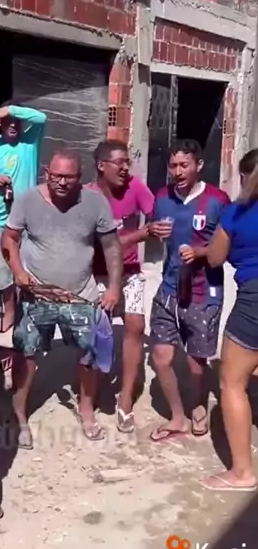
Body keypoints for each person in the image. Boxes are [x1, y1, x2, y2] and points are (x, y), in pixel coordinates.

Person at [1, 150, 122, 449]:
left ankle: (86, 409)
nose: (62, 182)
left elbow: (111, 246)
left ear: (80, 178)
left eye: (69, 177)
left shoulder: (94, 203)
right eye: (56, 176)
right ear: (47, 174)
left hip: (80, 295)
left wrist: (114, 287)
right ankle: (20, 414)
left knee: (88, 356)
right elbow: (9, 238)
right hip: (36, 295)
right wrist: (18, 271)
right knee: (26, 354)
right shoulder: (28, 201)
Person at [149, 139, 229, 442]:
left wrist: (201, 252)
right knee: (160, 357)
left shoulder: (218, 200)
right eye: (173, 166)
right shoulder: (162, 197)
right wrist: (153, 230)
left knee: (196, 362)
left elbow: (228, 246)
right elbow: (155, 229)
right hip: (169, 287)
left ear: (199, 165)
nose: (178, 172)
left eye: (184, 165)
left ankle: (198, 405)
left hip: (203, 292)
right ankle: (177, 416)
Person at [88, 140, 155, 433]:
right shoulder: (87, 196)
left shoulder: (136, 187)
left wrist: (158, 226)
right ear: (102, 166)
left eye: (128, 162)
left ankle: (126, 397)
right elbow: (100, 245)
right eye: (120, 162)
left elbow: (156, 213)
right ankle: (90, 391)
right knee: (95, 332)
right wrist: (140, 234)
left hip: (130, 271)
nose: (126, 168)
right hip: (96, 275)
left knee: (136, 326)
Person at [201, 149, 258, 491]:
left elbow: (215, 258)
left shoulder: (237, 211)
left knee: (232, 382)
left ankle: (242, 473)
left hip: (255, 297)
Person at [0, 102, 47, 332]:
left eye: (17, 120)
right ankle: (9, 314)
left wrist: (11, 110)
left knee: (29, 269)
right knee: (4, 271)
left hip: (29, 221)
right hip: (0, 220)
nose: (14, 124)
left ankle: (29, 314)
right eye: (8, 120)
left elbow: (41, 118)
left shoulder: (30, 142)